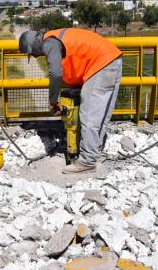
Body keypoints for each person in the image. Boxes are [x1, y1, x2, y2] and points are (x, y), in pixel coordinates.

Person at [19, 28, 122, 174]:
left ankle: (87, 162)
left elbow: (55, 73)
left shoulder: (49, 43)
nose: (36, 57)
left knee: (90, 117)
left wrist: (53, 101)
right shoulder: (54, 37)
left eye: (33, 53)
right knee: (102, 116)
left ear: (34, 45)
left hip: (101, 64)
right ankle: (93, 151)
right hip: (113, 59)